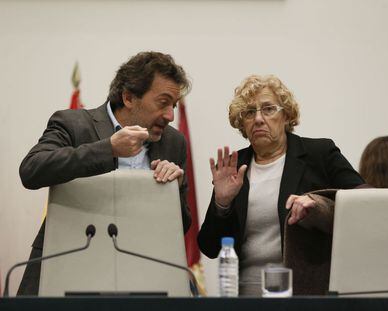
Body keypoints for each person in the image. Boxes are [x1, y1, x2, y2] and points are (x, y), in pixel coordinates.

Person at [18, 51, 192, 295]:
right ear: (129, 97)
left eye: (173, 106)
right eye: (163, 103)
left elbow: (180, 228)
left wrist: (173, 192)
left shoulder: (174, 142)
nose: (170, 115)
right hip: (67, 271)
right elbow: (32, 170)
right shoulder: (73, 124)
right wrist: (107, 149)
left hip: (143, 279)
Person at [197, 74, 365, 296]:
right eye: (249, 112)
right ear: (242, 124)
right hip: (246, 295)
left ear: (286, 115)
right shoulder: (235, 166)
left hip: (306, 295)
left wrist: (318, 202)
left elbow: (364, 202)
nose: (257, 119)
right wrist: (222, 203)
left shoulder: (319, 154)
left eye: (268, 109)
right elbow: (210, 247)